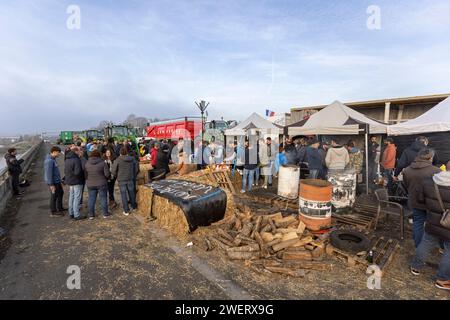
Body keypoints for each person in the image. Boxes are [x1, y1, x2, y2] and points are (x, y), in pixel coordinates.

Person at [410, 162, 450, 291]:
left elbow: (421, 199)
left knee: (426, 242)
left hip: (432, 220)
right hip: (448, 224)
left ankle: (415, 266)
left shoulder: (431, 180)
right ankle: (442, 279)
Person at [403, 149, 441, 247]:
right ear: (430, 158)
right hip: (431, 204)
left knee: (418, 223)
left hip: (414, 201)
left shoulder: (407, 170)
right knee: (433, 224)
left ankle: (418, 245)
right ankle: (432, 245)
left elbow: (406, 185)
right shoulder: (436, 171)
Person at [84, 150, 111, 219]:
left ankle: (91, 215)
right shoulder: (103, 163)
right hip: (101, 183)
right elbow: (107, 174)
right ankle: (105, 213)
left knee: (91, 199)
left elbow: (85, 175)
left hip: (90, 183)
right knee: (103, 198)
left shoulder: (87, 163)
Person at [111, 147, 138, 216]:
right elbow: (136, 168)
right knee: (131, 193)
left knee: (123, 195)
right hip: (130, 178)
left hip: (121, 179)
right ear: (127, 152)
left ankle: (126, 210)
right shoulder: (132, 159)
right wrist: (133, 175)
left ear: (120, 153)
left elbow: (113, 170)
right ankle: (134, 206)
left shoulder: (118, 160)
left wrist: (117, 176)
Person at [64, 147, 86, 220]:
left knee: (71, 197)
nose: (80, 152)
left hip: (70, 180)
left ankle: (71, 213)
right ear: (76, 151)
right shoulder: (76, 160)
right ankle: (76, 214)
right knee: (77, 197)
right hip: (77, 181)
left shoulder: (67, 159)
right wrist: (81, 177)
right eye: (79, 151)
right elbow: (77, 172)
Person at [44, 146, 65, 217]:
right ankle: (53, 212)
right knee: (54, 196)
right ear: (54, 152)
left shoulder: (53, 159)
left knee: (60, 193)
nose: (59, 154)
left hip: (57, 181)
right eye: (58, 153)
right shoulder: (49, 161)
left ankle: (60, 208)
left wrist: (60, 180)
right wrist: (51, 185)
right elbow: (48, 173)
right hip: (53, 183)